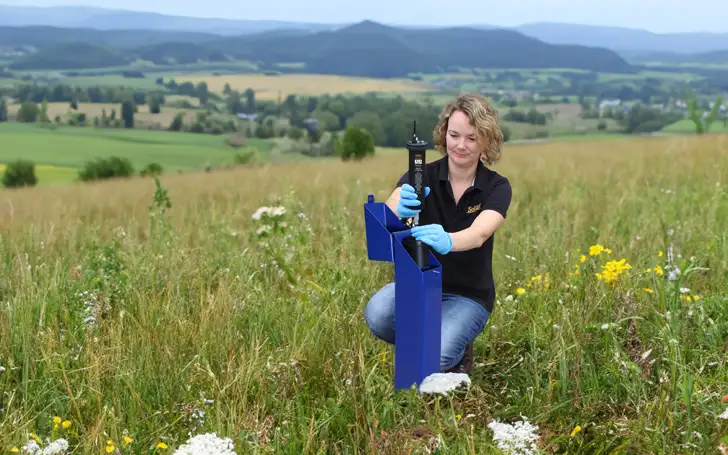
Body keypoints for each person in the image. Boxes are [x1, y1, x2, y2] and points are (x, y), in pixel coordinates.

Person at [364, 93, 512, 374]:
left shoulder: (497, 186)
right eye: (454, 135)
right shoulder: (420, 176)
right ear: (444, 134)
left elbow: (480, 233)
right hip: (418, 285)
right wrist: (397, 209)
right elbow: (393, 205)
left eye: (472, 137)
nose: (461, 145)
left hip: (469, 296)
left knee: (437, 357)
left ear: (486, 140)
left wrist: (449, 240)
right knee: (379, 315)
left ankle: (450, 351)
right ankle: (432, 342)